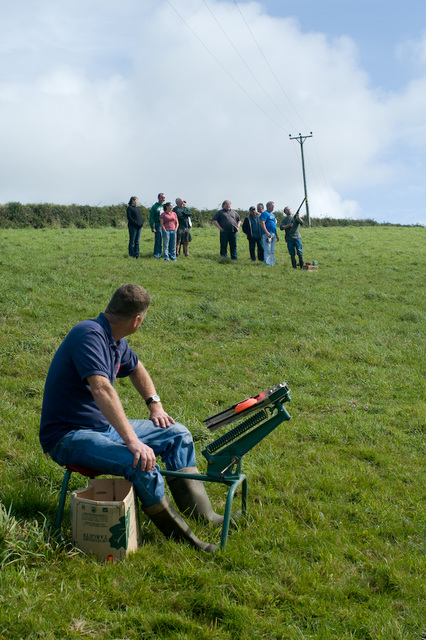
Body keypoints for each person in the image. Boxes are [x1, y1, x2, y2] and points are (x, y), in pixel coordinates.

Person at [39, 284, 222, 552]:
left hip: (102, 428)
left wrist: (155, 405)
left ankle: (203, 515)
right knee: (141, 462)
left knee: (178, 434)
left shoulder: (115, 340)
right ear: (137, 320)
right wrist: (133, 441)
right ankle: (185, 539)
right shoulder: (88, 335)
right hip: (68, 437)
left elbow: (136, 368)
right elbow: (101, 388)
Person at [259, 201, 278, 266]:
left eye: (273, 205)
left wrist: (276, 235)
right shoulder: (264, 213)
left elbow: (274, 225)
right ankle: (267, 263)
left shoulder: (273, 215)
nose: (273, 207)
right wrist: (266, 232)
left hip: (273, 234)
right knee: (267, 249)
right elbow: (262, 223)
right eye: (271, 205)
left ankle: (272, 263)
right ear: (267, 206)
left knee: (272, 249)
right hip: (267, 234)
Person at [149, 193, 166, 259]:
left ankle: (165, 254)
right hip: (158, 225)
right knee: (158, 240)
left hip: (166, 224)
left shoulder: (165, 206)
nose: (163, 199)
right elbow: (151, 217)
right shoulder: (155, 207)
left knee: (166, 240)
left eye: (164, 197)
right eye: (162, 197)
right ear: (158, 198)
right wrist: (152, 227)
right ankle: (157, 254)